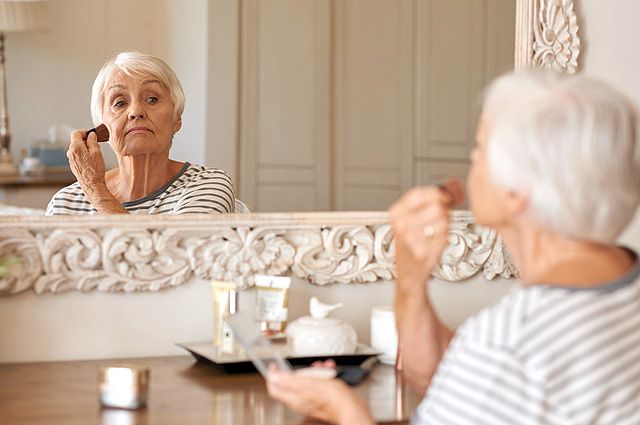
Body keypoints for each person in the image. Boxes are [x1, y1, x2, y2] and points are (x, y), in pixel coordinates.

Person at [267, 71, 640, 424]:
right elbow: (446, 379)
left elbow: (488, 368)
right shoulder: (620, 284)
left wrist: (341, 409)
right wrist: (411, 280)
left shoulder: (510, 339)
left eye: (478, 149)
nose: (470, 162)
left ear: (516, 193)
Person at [46, 51, 235, 215]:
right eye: (120, 103)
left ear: (176, 119)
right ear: (101, 127)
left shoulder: (207, 185)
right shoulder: (65, 203)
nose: (136, 111)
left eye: (152, 99)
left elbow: (172, 256)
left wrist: (95, 190)